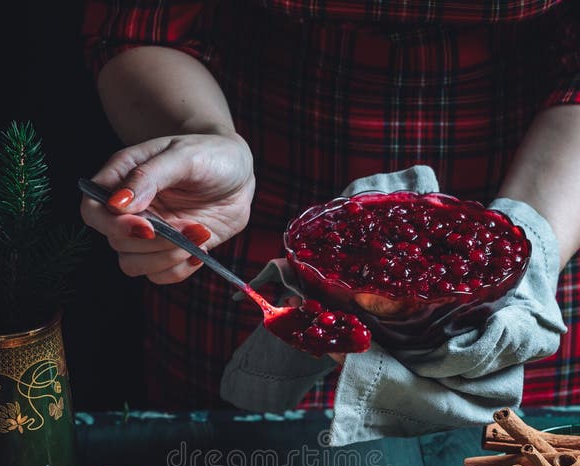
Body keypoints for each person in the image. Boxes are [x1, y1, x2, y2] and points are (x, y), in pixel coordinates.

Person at [80, 1, 580, 417]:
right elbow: (142, 22)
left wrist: (532, 239)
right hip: (244, 216)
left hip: (550, 194)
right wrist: (205, 134)